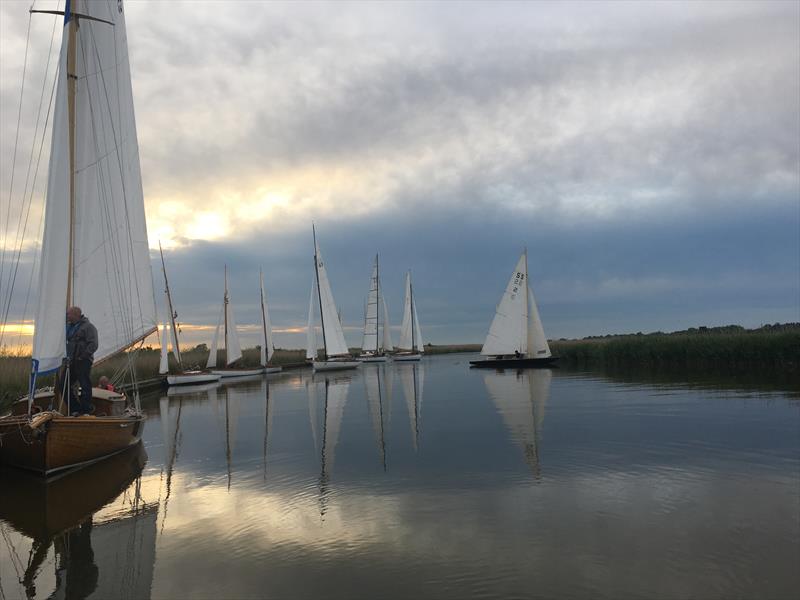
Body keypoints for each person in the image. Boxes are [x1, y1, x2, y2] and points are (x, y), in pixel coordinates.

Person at [65, 306, 98, 415]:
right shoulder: (68, 327)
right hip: (70, 361)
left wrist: (83, 356)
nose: (67, 316)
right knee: (63, 384)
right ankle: (75, 408)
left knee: (85, 385)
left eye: (68, 314)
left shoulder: (88, 327)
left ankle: (86, 410)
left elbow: (93, 344)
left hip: (83, 360)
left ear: (76, 315)